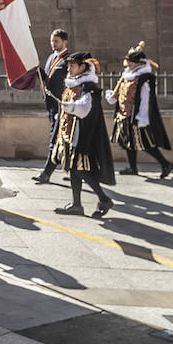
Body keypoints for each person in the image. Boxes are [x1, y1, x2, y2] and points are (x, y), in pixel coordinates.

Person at [52, 51, 115, 218]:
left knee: (79, 169)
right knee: (74, 170)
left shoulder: (89, 88)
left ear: (83, 67)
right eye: (69, 65)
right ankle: (77, 204)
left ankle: (103, 198)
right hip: (70, 133)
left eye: (73, 65)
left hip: (83, 135)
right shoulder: (73, 84)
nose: (70, 68)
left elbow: (84, 109)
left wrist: (69, 106)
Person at [106, 43, 173, 179]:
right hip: (123, 115)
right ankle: (132, 167)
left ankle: (165, 163)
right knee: (126, 142)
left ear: (140, 64)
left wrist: (142, 117)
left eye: (132, 62)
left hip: (136, 116)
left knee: (144, 143)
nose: (129, 64)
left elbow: (145, 99)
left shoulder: (143, 78)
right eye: (129, 61)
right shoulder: (127, 76)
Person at [33, 29, 69, 183]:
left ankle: (46, 173)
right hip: (51, 105)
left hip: (62, 107)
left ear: (64, 42)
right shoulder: (50, 58)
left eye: (56, 41)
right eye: (52, 41)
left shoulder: (68, 60)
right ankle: (75, 171)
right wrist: (36, 70)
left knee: (55, 139)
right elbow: (47, 78)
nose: (53, 44)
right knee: (62, 140)